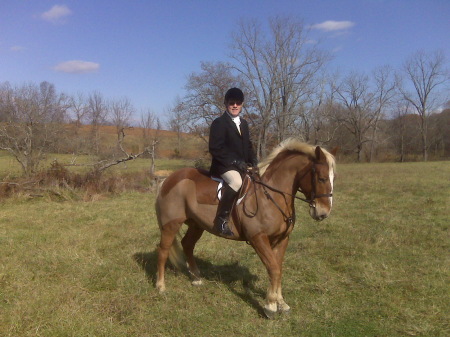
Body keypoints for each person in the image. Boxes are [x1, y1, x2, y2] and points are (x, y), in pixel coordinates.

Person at [209, 88, 257, 237]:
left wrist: (254, 162)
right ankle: (221, 220)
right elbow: (215, 148)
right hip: (224, 165)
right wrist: (235, 161)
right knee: (236, 182)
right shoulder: (219, 123)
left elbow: (247, 146)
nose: (235, 105)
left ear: (242, 104)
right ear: (226, 104)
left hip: (240, 165)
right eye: (231, 103)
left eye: (238, 103)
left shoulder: (244, 124)